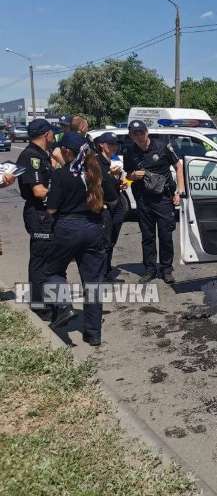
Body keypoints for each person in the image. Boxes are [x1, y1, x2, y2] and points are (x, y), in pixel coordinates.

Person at [44, 132, 115, 344]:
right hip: (94, 228)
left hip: (67, 228)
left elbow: (52, 208)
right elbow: (112, 199)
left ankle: (64, 306)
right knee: (93, 283)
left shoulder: (61, 175)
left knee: (51, 271)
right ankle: (93, 335)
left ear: (66, 151)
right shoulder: (96, 172)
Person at [123, 120, 184, 284]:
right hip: (143, 199)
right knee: (147, 236)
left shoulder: (162, 146)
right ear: (131, 135)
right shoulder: (129, 151)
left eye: (141, 133)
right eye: (134, 134)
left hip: (163, 198)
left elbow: (179, 166)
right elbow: (127, 174)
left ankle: (166, 269)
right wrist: (133, 176)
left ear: (146, 132)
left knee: (165, 235)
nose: (138, 136)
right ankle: (150, 269)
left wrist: (179, 191)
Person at [16, 119, 56, 309]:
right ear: (46, 134)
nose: (54, 136)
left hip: (45, 213)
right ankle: (39, 305)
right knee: (40, 259)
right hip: (38, 214)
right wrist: (62, 192)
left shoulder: (42, 155)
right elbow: (39, 191)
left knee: (48, 258)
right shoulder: (31, 156)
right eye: (52, 133)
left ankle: (47, 300)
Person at [94, 132, 126, 278]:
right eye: (110, 144)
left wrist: (123, 182)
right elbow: (93, 184)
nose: (114, 147)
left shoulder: (116, 160)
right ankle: (100, 272)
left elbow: (120, 181)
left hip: (117, 203)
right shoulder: (95, 161)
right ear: (102, 145)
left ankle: (107, 269)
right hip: (104, 205)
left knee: (112, 239)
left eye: (115, 144)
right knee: (103, 241)